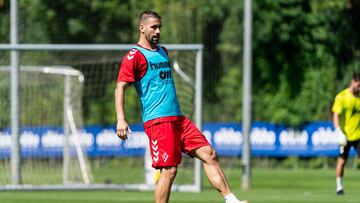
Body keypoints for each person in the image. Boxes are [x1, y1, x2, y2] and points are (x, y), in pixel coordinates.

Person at [115, 10, 247, 203]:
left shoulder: (163, 51)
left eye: (160, 27)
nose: (158, 31)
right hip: (159, 121)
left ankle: (232, 201)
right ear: (142, 28)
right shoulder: (134, 56)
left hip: (178, 119)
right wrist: (121, 118)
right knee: (169, 170)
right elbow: (120, 88)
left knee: (209, 154)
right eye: (154, 27)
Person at [332, 72, 360, 195]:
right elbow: (336, 115)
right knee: (342, 161)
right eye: (359, 85)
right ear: (353, 82)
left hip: (358, 135)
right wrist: (338, 131)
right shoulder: (342, 97)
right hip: (345, 136)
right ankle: (339, 187)